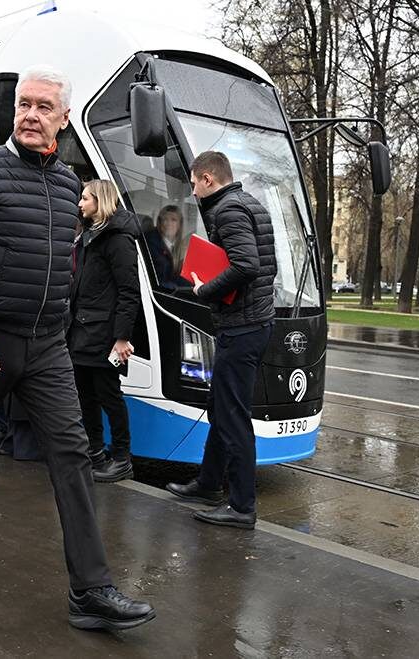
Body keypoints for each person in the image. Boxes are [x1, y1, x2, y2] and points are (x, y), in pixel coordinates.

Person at [0, 65, 153, 632]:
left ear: (64, 119)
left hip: (46, 348)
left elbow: (62, 266)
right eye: (25, 105)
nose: (31, 116)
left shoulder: (69, 186)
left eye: (45, 107)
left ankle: (91, 589)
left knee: (72, 455)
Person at [166, 150, 277, 529]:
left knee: (232, 416)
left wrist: (205, 290)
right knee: (221, 406)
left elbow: (247, 264)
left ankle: (242, 506)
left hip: (241, 327)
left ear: (208, 179)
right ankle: (209, 482)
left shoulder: (228, 210)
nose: (194, 191)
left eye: (195, 182)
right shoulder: (250, 203)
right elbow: (265, 265)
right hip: (254, 322)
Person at [69, 179, 141, 483]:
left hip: (104, 336)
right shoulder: (88, 236)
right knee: (85, 396)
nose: (80, 204)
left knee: (109, 396)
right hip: (81, 332)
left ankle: (122, 457)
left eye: (85, 198)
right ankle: (95, 452)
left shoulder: (118, 240)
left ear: (101, 201)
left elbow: (129, 292)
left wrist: (121, 337)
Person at [144, 205, 191, 291]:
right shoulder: (152, 243)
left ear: (180, 225)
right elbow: (160, 279)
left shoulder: (178, 246)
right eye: (165, 219)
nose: (169, 223)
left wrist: (193, 287)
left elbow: (175, 277)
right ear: (160, 223)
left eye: (173, 220)